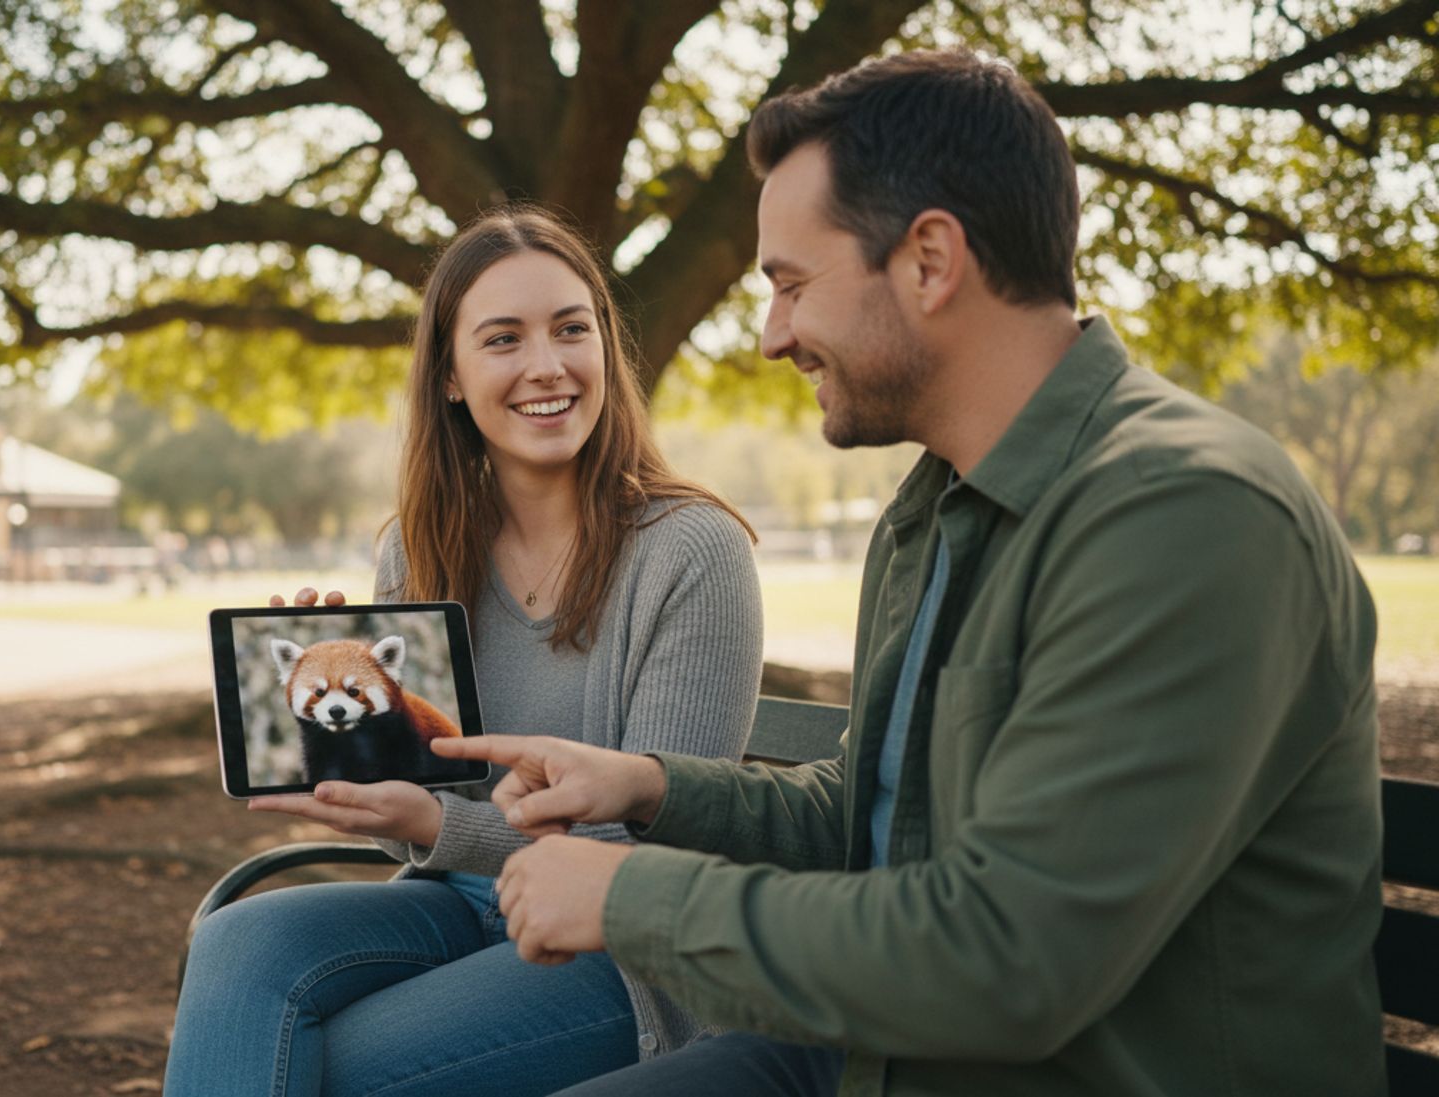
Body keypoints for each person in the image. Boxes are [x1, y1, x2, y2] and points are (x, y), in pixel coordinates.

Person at [434, 51, 1384, 1097]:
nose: (771, 335)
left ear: (930, 260)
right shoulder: (934, 511)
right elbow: (877, 818)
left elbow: (1009, 958)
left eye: (792, 284)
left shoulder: (1184, 517)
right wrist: (651, 786)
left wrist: (629, 896)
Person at [164, 206, 765, 1096]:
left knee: (322, 1069)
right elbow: (419, 784)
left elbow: (640, 849)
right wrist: (316, 710)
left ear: (606, 345)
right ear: (449, 376)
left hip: (624, 945)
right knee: (237, 942)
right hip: (457, 901)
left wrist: (440, 826)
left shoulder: (692, 551)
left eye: (571, 329)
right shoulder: (421, 544)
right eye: (502, 339)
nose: (546, 366)